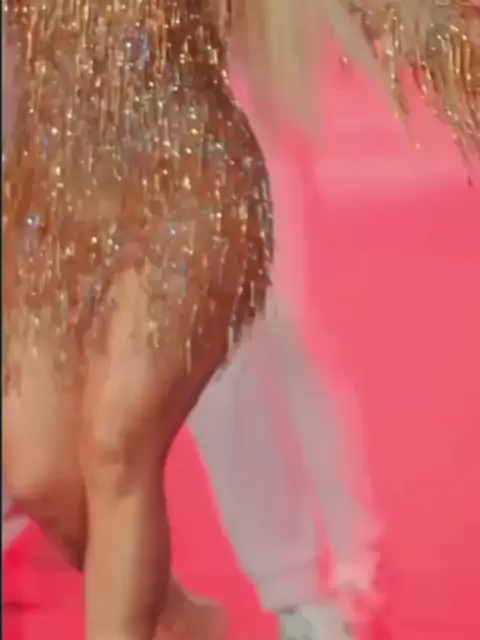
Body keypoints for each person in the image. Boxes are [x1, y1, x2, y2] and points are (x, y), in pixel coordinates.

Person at [2, 4, 273, 640]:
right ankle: (176, 617)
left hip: (189, 192)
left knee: (117, 444)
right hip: (50, 206)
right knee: (37, 472)